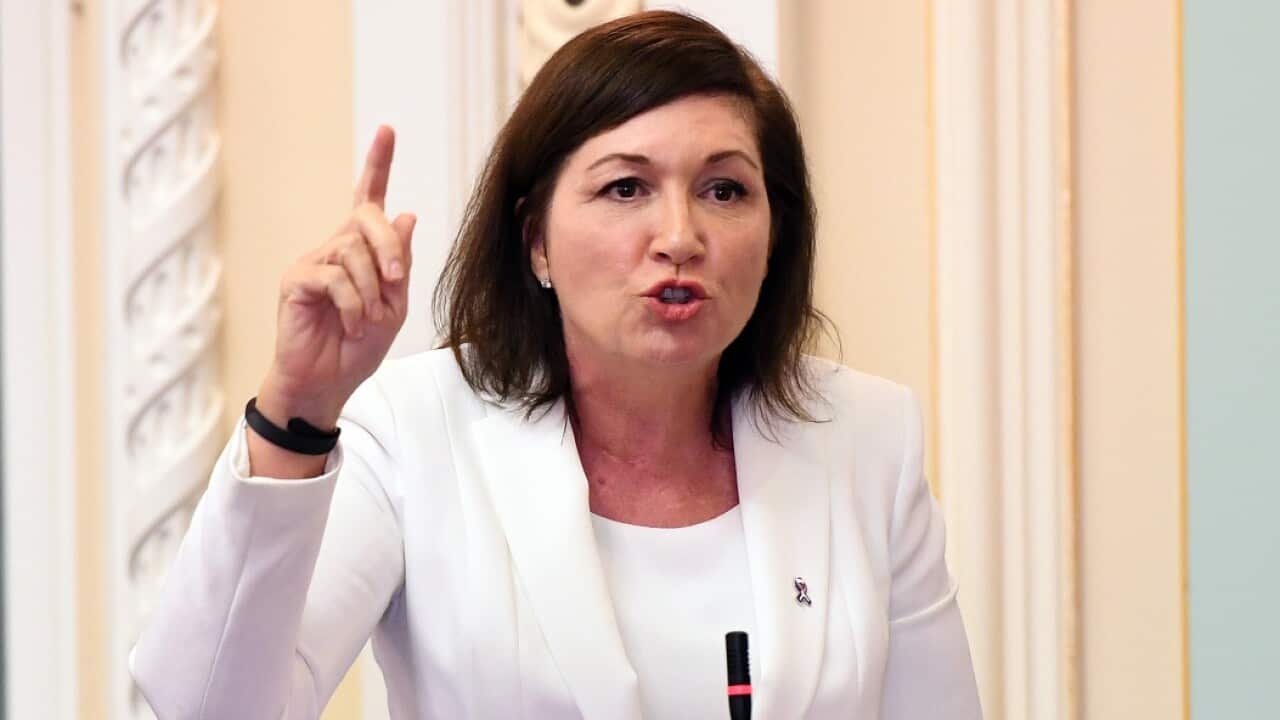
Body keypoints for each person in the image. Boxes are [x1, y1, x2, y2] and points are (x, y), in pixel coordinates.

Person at [130, 10, 981, 720]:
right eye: (625, 188)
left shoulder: (866, 438)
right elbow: (207, 706)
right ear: (535, 238)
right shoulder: (417, 430)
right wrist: (298, 410)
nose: (680, 236)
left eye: (725, 189)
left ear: (775, 233)